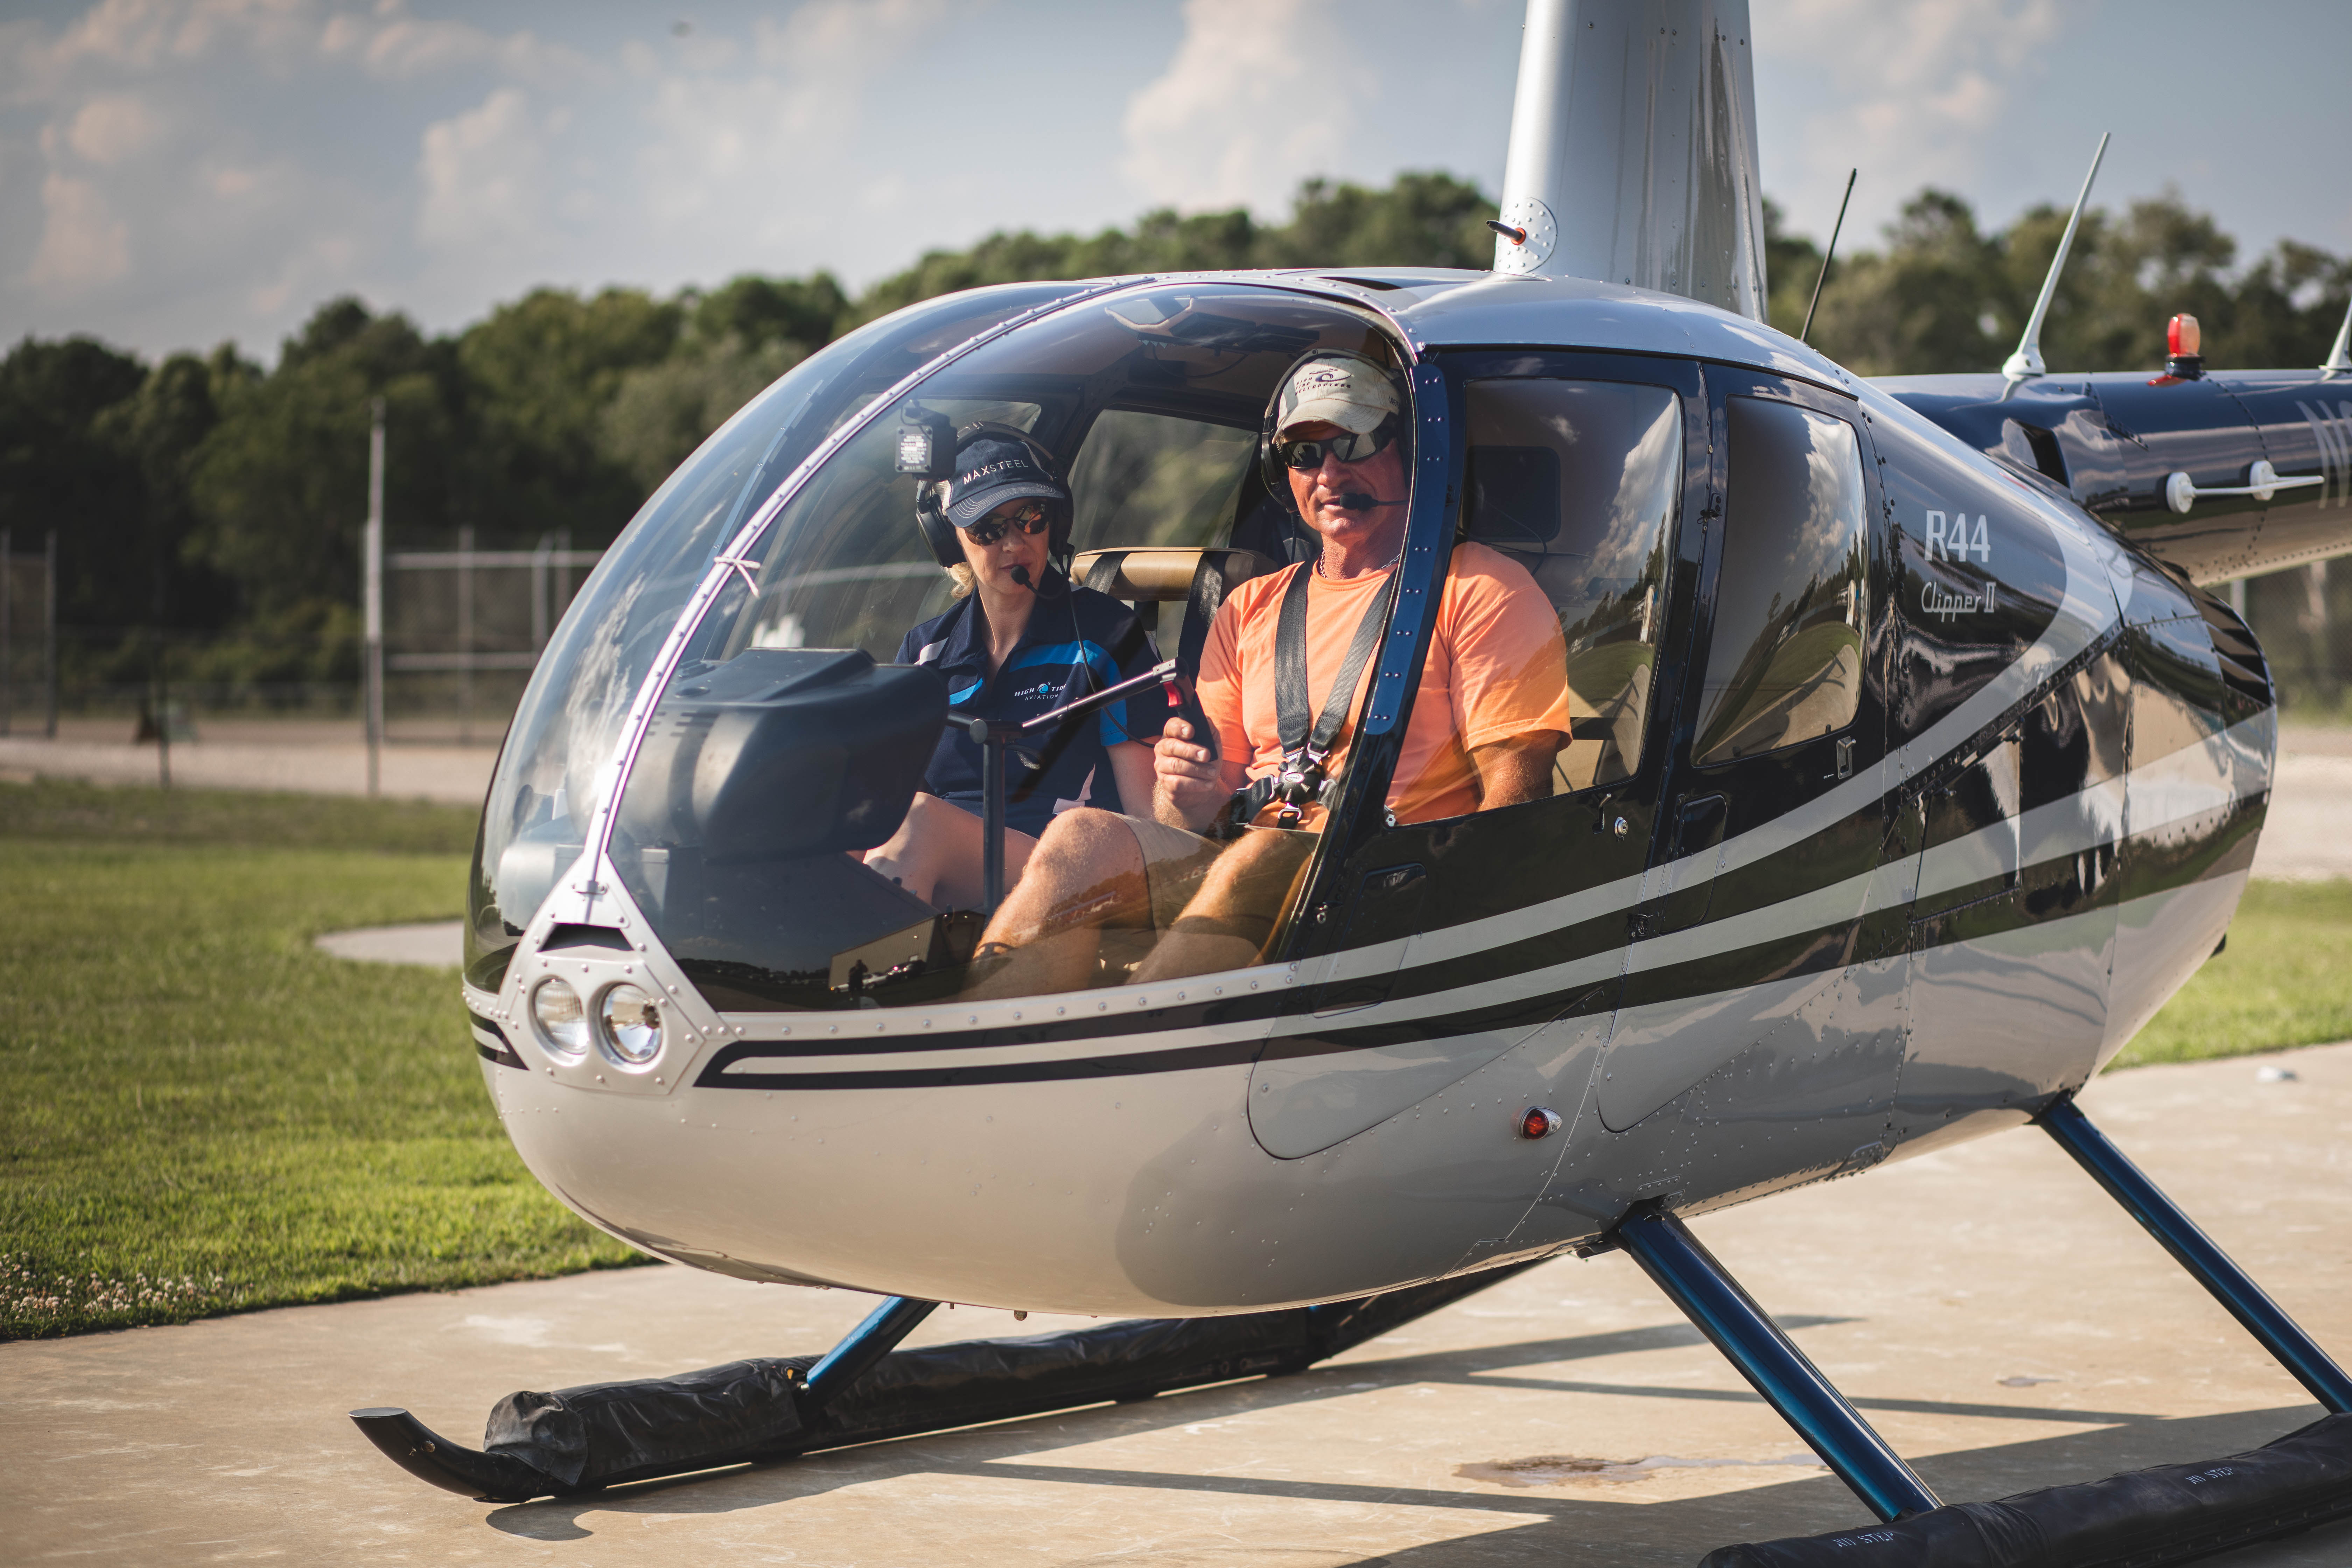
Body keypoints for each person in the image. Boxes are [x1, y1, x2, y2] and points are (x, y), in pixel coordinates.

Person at [968, 351, 1574, 994]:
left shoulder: (1480, 588)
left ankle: (1133, 1053)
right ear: (1282, 473)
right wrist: (1186, 788)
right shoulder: (1250, 607)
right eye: (1305, 456)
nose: (1330, 471)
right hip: (1249, 860)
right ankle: (976, 1061)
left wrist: (1455, 946)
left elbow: (1514, 806)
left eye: (1354, 440)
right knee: (1080, 837)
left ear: (1411, 452)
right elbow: (1194, 817)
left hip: (1391, 884)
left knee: (1265, 852)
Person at [862, 425, 1165, 910]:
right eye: (987, 528)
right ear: (950, 541)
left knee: (919, 825)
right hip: (941, 858)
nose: (1014, 542)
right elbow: (886, 800)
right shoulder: (926, 651)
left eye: (1031, 517)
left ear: (1055, 524)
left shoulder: (1106, 635)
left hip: (1070, 869)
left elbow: (1149, 819)